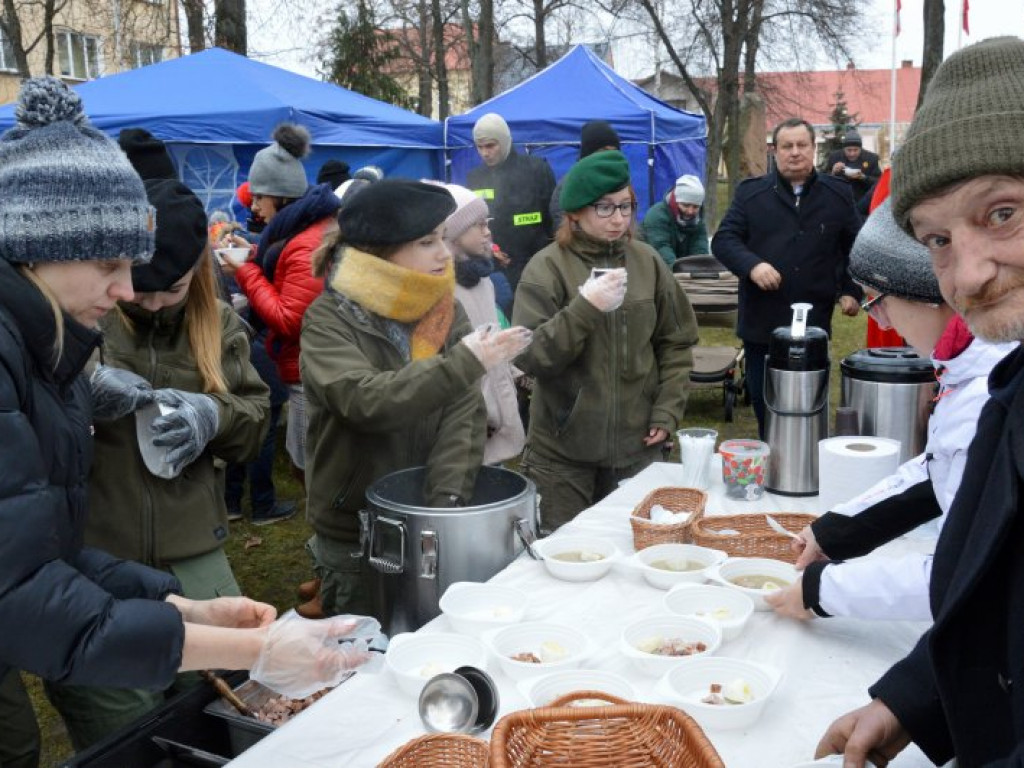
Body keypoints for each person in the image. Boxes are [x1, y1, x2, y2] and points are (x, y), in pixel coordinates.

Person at [0, 77, 379, 768]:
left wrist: (186, 608)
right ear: (37, 248)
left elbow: (41, 554)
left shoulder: (40, 344)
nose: (123, 292)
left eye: (138, 272)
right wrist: (256, 649)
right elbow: (24, 597)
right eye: (109, 266)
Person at [815, 36, 1024, 768]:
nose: (967, 275)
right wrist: (917, 695)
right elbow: (1001, 580)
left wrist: (826, 583)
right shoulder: (1007, 385)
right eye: (936, 239)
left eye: (1003, 214)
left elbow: (955, 566)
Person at [47, 176, 273, 750]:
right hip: (97, 551)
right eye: (137, 289)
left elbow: (252, 424)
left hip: (194, 549)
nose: (147, 303)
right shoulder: (82, 315)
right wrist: (83, 386)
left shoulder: (218, 324)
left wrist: (211, 416)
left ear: (196, 273)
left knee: (222, 706)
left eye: (166, 291)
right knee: (117, 726)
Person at [765, 197, 1016, 623]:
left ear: (928, 292)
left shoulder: (991, 396)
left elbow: (967, 573)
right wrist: (832, 532)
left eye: (876, 301)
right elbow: (937, 470)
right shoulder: (967, 367)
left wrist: (819, 590)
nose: (880, 321)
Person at [301, 179, 532, 617]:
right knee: (360, 655)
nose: (444, 254)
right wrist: (463, 363)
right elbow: (364, 401)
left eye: (442, 238)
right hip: (356, 526)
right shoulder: (329, 319)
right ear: (379, 253)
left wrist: (441, 508)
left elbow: (464, 413)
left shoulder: (445, 308)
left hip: (431, 519)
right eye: (427, 242)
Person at [512, 150, 699, 533]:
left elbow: (676, 344)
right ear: (575, 213)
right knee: (564, 557)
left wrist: (667, 410)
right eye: (605, 208)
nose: (618, 219)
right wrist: (585, 307)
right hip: (562, 455)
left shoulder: (648, 263)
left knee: (636, 552)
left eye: (625, 207)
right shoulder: (546, 268)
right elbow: (531, 356)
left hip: (637, 449)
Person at [712, 117, 862, 438]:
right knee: (768, 406)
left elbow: (855, 248)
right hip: (762, 322)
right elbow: (724, 240)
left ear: (813, 148)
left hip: (814, 322)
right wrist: (753, 266)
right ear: (774, 151)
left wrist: (851, 290)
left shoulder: (838, 195)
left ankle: (808, 464)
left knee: (810, 404)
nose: (795, 153)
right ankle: (772, 459)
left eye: (801, 145)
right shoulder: (751, 195)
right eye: (787, 146)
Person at [221, 123, 341, 486]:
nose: (255, 207)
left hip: (310, 371)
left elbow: (291, 319)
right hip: (308, 367)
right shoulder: (301, 232)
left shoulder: (305, 243)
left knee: (314, 470)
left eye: (259, 197)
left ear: (281, 196)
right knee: (309, 463)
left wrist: (246, 272)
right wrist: (255, 255)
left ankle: (330, 538)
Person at [441, 182, 526, 464]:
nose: (487, 231)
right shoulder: (442, 290)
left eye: (486, 222)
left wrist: (514, 371)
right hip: (467, 425)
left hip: (496, 416)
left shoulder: (483, 280)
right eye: (477, 225)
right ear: (451, 234)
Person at [467, 113, 556, 295]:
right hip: (495, 270)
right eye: (480, 147)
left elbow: (553, 218)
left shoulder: (536, 170)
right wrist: (490, 251)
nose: (485, 153)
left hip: (535, 267)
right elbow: (472, 226)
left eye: (491, 145)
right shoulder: (475, 178)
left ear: (505, 141)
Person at [549, 119, 622, 228]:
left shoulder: (620, 181)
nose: (609, 156)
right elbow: (562, 224)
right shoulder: (570, 184)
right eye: (604, 150)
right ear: (589, 152)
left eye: (614, 151)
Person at [640, 173, 712, 267]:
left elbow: (700, 251)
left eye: (695, 207)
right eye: (685, 205)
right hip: (649, 266)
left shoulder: (698, 221)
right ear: (675, 201)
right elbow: (661, 248)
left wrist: (699, 271)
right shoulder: (656, 215)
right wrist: (680, 272)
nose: (690, 211)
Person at [823, 129, 882, 204]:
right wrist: (833, 172)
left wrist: (864, 177)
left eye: (855, 150)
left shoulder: (871, 158)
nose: (852, 154)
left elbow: (879, 182)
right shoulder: (835, 157)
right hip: (839, 202)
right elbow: (823, 180)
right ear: (844, 148)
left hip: (863, 203)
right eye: (849, 150)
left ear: (860, 148)